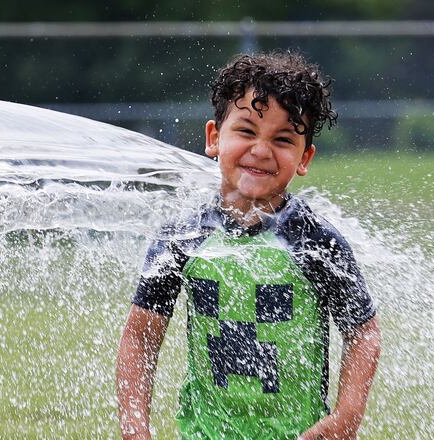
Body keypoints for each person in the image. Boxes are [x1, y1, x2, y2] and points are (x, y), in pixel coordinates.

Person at [117, 51, 381, 440]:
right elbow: (140, 336)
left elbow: (363, 332)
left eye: (283, 139)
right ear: (213, 138)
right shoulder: (183, 237)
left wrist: (348, 413)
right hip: (205, 433)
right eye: (246, 131)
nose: (261, 149)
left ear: (304, 157)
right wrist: (135, 426)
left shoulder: (315, 240)